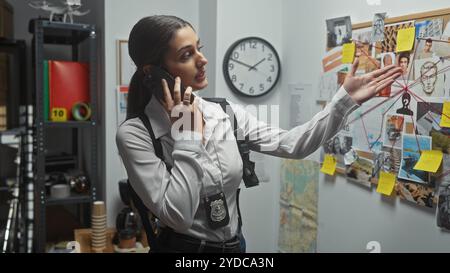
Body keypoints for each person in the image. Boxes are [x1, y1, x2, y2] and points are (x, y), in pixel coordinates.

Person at [116, 15, 402, 253]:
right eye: (187, 55)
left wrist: (344, 101)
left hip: (236, 247)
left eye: (199, 48)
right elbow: (177, 216)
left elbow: (293, 145)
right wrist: (186, 133)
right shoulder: (136, 134)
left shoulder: (223, 113)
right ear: (153, 72)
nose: (202, 60)